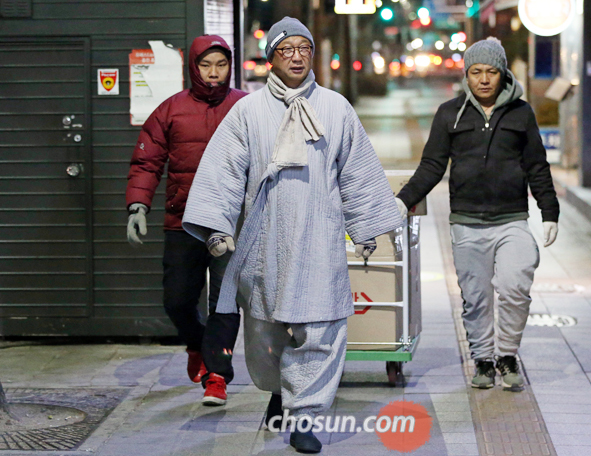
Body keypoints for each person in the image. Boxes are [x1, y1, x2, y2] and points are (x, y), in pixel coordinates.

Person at [182, 17, 401, 454]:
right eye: (287, 50)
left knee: (321, 330)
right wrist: (218, 228)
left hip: (320, 236)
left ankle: (306, 415)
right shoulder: (246, 112)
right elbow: (224, 172)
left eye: (304, 49)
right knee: (266, 331)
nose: (297, 57)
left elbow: (355, 173)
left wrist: (366, 227)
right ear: (271, 58)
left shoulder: (337, 108)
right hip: (264, 239)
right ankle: (281, 390)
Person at [396, 37, 560, 391]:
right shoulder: (449, 114)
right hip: (467, 222)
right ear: (466, 75)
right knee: (476, 297)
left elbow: (537, 166)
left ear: (502, 74)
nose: (484, 80)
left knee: (516, 287)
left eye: (491, 72)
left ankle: (508, 355)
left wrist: (550, 212)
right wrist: (402, 199)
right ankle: (484, 360)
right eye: (476, 72)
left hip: (511, 218)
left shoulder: (521, 113)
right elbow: (432, 166)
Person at [125, 35, 247, 395]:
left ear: (230, 66)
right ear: (194, 67)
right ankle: (198, 344)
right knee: (177, 301)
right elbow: (147, 161)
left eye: (221, 65)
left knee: (224, 302)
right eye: (206, 65)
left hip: (229, 222)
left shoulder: (245, 106)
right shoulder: (171, 109)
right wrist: (137, 205)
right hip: (183, 221)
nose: (213, 73)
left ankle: (217, 376)